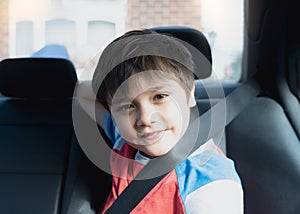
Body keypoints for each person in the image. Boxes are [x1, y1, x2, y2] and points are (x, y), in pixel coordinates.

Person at [77, 29, 243, 213]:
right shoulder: (124, 140)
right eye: (128, 106)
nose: (145, 119)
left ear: (189, 94)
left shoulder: (208, 184)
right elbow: (82, 92)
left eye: (159, 96)